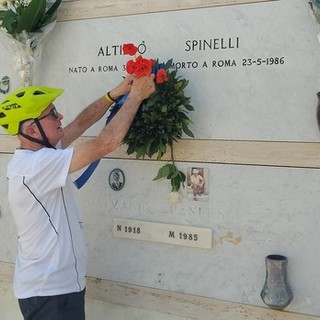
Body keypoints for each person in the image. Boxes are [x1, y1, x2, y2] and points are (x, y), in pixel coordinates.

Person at [0, 73, 155, 320]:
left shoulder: (41, 154)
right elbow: (106, 142)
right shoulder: (36, 166)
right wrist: (135, 97)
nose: (59, 116)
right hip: (50, 292)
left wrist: (113, 94)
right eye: (51, 114)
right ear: (31, 129)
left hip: (57, 288)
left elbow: (80, 124)